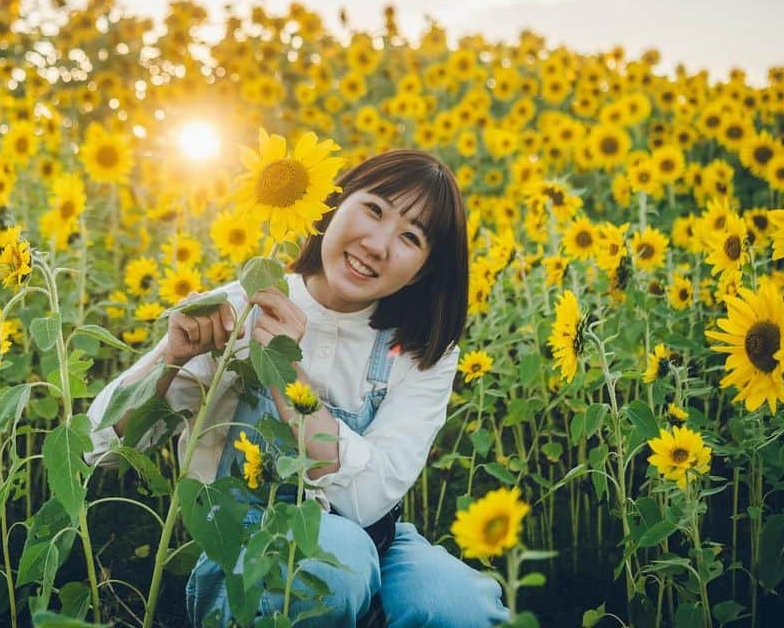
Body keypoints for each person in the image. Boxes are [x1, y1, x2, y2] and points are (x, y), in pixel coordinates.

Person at [86, 149, 509, 627]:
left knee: (454, 603)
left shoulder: (421, 351)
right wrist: (171, 358)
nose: (378, 244)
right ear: (332, 203)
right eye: (373, 209)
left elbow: (365, 499)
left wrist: (287, 374)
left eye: (410, 237)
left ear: (425, 270)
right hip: (245, 547)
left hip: (375, 540)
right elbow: (105, 446)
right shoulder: (241, 307)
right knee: (336, 563)